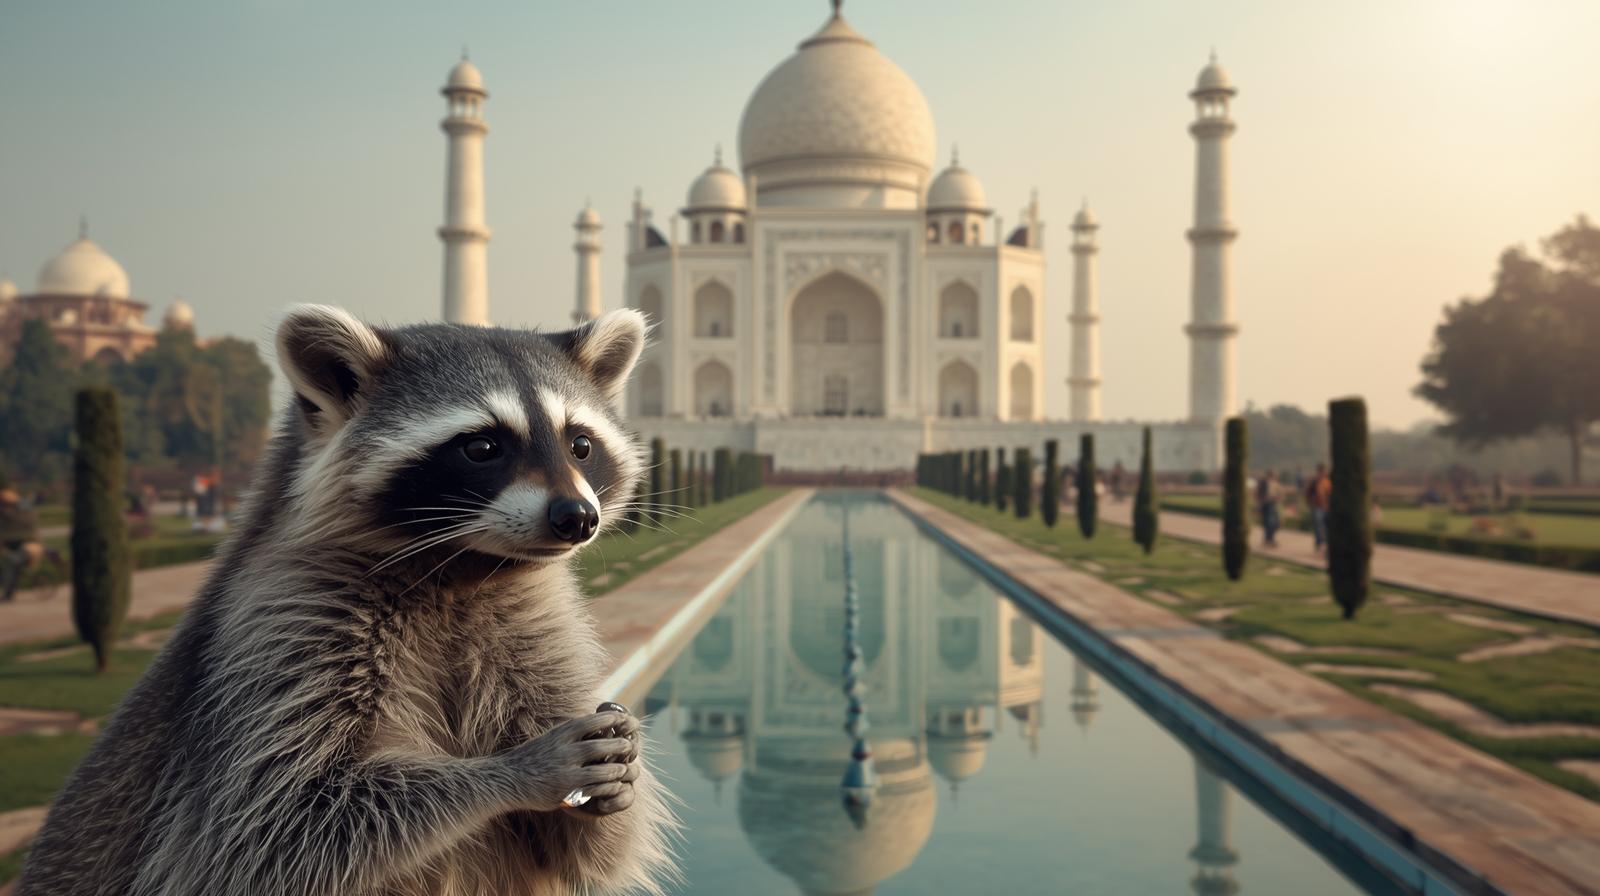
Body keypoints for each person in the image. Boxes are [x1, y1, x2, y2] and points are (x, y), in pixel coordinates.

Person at [0, 488, 42, 602]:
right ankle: (9, 592)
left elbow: (20, 524)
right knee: (10, 565)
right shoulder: (12, 510)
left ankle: (8, 594)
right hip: (18, 545)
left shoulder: (22, 509)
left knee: (11, 565)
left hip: (29, 546)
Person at [1305, 463, 1332, 553]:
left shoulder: (1327, 482)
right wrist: (1311, 503)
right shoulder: (1314, 482)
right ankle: (1320, 544)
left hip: (1326, 507)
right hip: (1317, 507)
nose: (1323, 473)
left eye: (1324, 471)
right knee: (1318, 526)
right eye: (1321, 471)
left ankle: (1325, 544)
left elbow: (1330, 494)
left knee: (1327, 527)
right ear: (1318, 471)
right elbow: (1308, 493)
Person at [1257, 470, 1282, 547]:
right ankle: (1269, 539)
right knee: (1268, 522)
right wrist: (1262, 500)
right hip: (1266, 505)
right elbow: (1258, 494)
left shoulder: (1276, 484)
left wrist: (1277, 498)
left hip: (1273, 504)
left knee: (1274, 523)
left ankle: (1268, 539)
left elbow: (1280, 494)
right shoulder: (1263, 483)